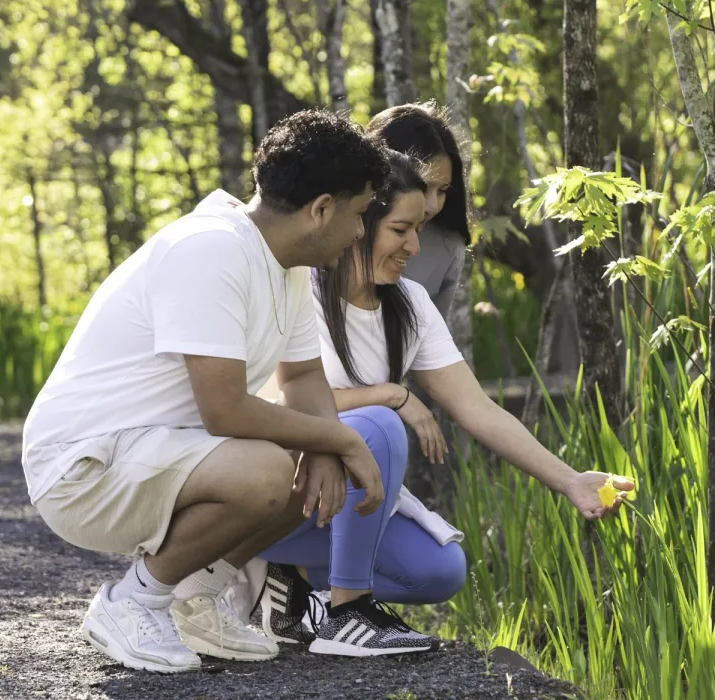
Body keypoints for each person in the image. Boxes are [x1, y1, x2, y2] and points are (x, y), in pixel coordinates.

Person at [21, 109, 391, 673]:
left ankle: (196, 598)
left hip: (153, 451)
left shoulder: (284, 262)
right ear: (321, 210)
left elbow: (303, 378)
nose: (361, 232)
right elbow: (223, 410)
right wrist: (340, 439)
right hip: (80, 468)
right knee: (268, 472)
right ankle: (132, 603)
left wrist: (324, 446)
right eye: (360, 213)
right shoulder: (212, 249)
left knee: (302, 461)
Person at [255, 149, 635, 658]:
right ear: (357, 222)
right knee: (381, 425)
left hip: (341, 495)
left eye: (417, 230)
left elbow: (478, 409)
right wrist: (393, 395)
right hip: (275, 482)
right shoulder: (302, 287)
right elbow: (284, 401)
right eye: (400, 229)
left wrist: (568, 480)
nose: (414, 244)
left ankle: (290, 587)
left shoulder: (409, 305)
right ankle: (346, 613)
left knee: (437, 571)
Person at [365, 102, 469, 319]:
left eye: (442, 190)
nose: (432, 207)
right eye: (423, 186)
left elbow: (433, 340)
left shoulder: (447, 246)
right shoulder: (336, 230)